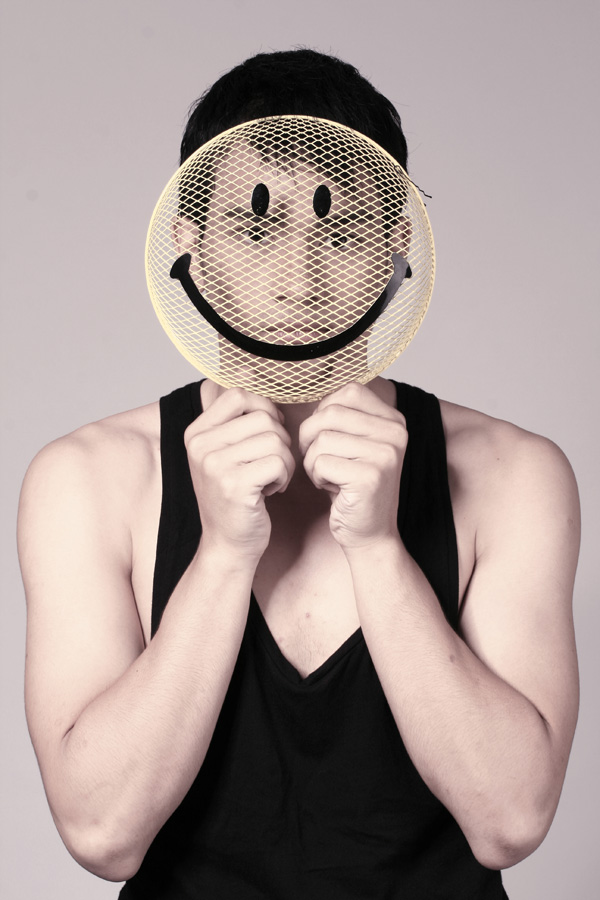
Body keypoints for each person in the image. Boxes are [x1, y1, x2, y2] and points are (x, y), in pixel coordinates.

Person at [18, 49, 580, 898]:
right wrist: (221, 555)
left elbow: (511, 820)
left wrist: (380, 549)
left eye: (340, 228)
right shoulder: (85, 481)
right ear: (189, 243)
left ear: (396, 246)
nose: (298, 277)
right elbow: (102, 834)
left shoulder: (513, 476)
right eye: (255, 226)